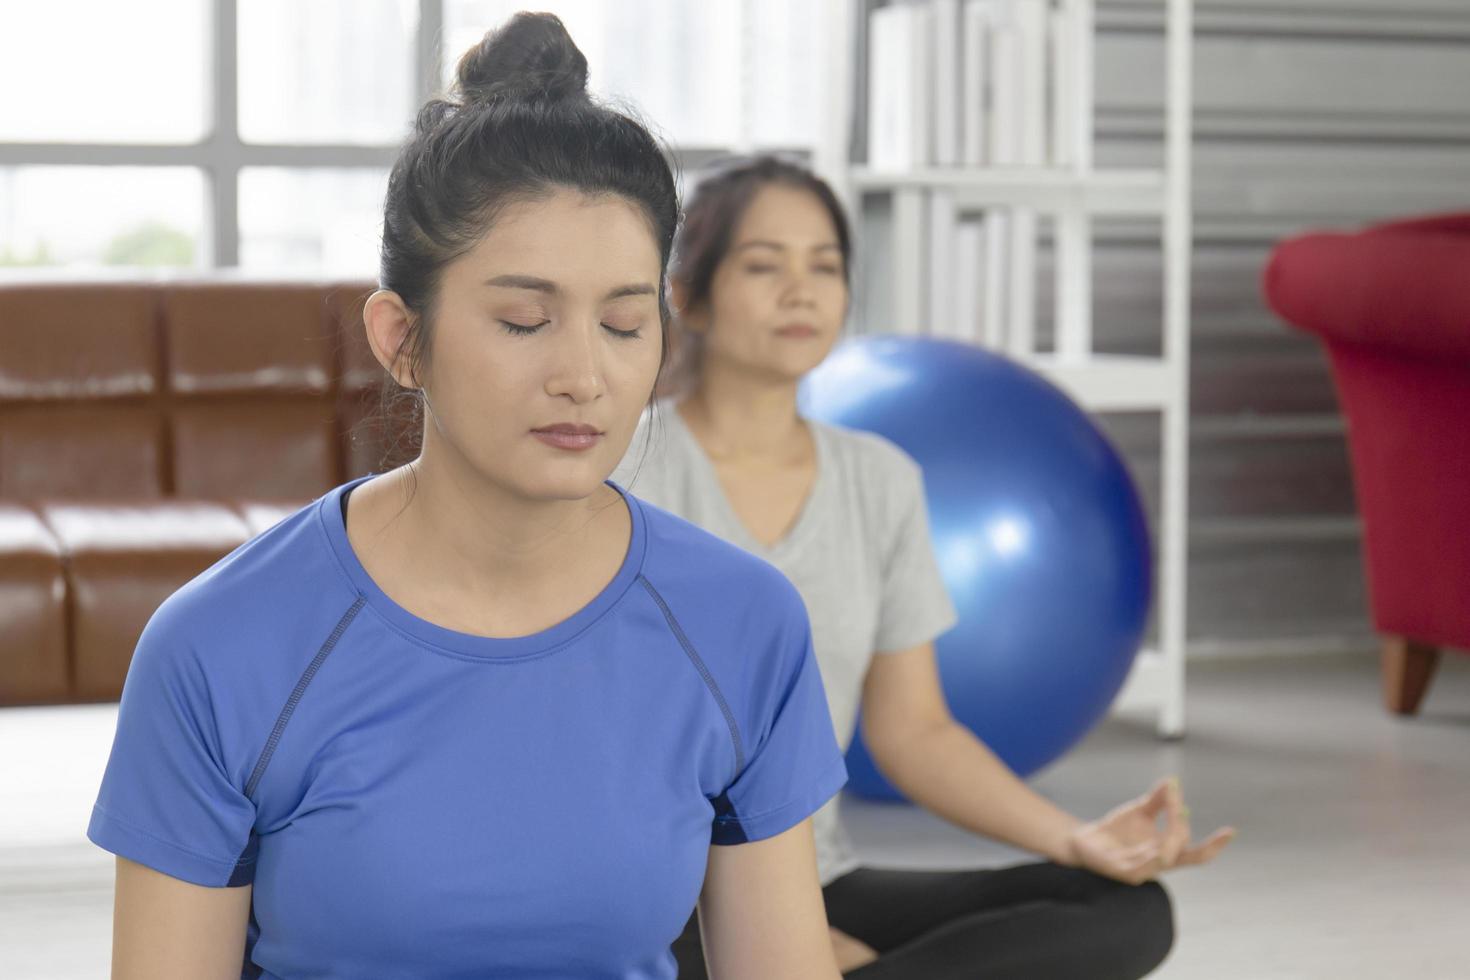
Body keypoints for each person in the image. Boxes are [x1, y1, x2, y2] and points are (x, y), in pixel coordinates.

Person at [87, 19, 849, 980]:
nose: (583, 375)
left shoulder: (742, 624)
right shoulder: (219, 647)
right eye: (524, 320)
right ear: (401, 337)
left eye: (623, 324)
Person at [612, 155, 1237, 979]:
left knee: (1123, 908)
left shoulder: (881, 478)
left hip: (818, 873)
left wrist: (1075, 837)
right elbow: (604, 747)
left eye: (824, 266)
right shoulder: (627, 471)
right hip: (659, 893)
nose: (801, 291)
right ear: (688, 294)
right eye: (763, 265)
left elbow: (915, 732)